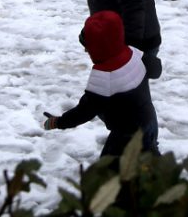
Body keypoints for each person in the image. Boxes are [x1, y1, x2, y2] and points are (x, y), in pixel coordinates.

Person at [41, 11, 159, 157]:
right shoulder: (134, 53)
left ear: (99, 47)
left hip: (126, 137)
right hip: (149, 122)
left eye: (88, 46)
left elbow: (84, 112)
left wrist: (58, 122)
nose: (85, 50)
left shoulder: (103, 76)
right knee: (150, 160)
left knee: (108, 169)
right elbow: (156, 69)